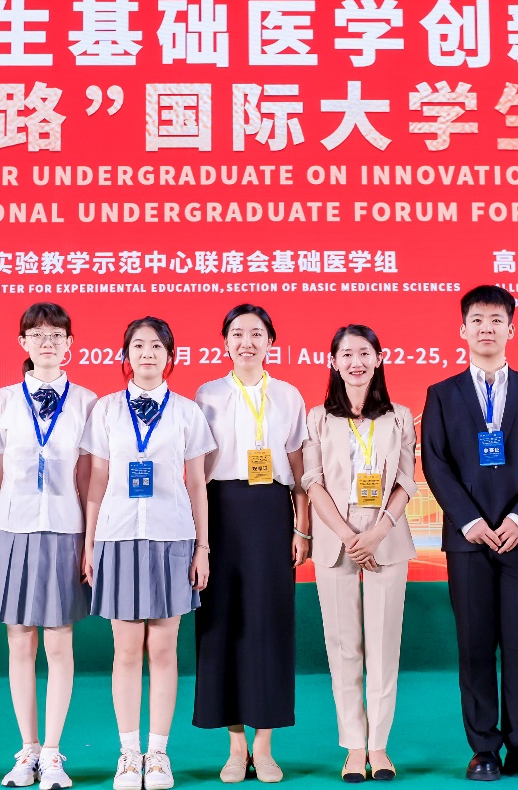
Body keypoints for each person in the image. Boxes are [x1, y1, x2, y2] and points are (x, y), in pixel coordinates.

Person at [420, 285, 518, 782]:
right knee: (475, 644)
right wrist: (471, 521)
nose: (486, 328)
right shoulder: (441, 394)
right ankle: (483, 747)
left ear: (511, 330)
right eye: (477, 320)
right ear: (462, 330)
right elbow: (435, 463)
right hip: (468, 539)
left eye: (496, 320)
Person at [81, 316, 215, 790]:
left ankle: (157, 755)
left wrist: (202, 546)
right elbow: (97, 481)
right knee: (125, 650)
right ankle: (128, 754)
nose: (147, 354)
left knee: (162, 648)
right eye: (138, 345)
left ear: (170, 357)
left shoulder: (187, 412)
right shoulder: (105, 410)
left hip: (171, 537)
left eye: (157, 346)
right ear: (126, 356)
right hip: (117, 536)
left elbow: (196, 483)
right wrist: (89, 543)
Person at [193, 304, 311, 783]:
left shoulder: (288, 395)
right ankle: (235, 745)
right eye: (238, 333)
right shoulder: (207, 395)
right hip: (219, 511)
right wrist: (200, 540)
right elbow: (196, 473)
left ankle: (264, 746)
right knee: (221, 624)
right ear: (225, 342)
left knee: (268, 624)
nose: (247, 342)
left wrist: (301, 528)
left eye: (257, 333)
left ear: (270, 342)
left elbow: (299, 471)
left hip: (271, 514)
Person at [0, 303, 98, 789]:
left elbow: (89, 479)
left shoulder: (88, 402)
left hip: (65, 529)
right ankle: (27, 750)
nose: (47, 342)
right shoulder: (3, 400)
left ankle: (52, 753)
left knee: (58, 641)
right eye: (37, 334)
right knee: (19, 640)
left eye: (56, 335)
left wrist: (90, 541)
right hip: (11, 528)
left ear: (69, 344)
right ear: (23, 344)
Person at [303, 324, 417, 784]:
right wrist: (349, 535)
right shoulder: (317, 417)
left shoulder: (400, 417)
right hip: (336, 540)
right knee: (343, 646)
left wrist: (378, 531)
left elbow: (406, 480)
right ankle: (353, 746)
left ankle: (379, 746)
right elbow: (312, 482)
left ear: (379, 359)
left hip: (386, 536)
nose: (356, 362)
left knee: (384, 647)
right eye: (347, 354)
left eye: (365, 353)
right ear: (333, 362)